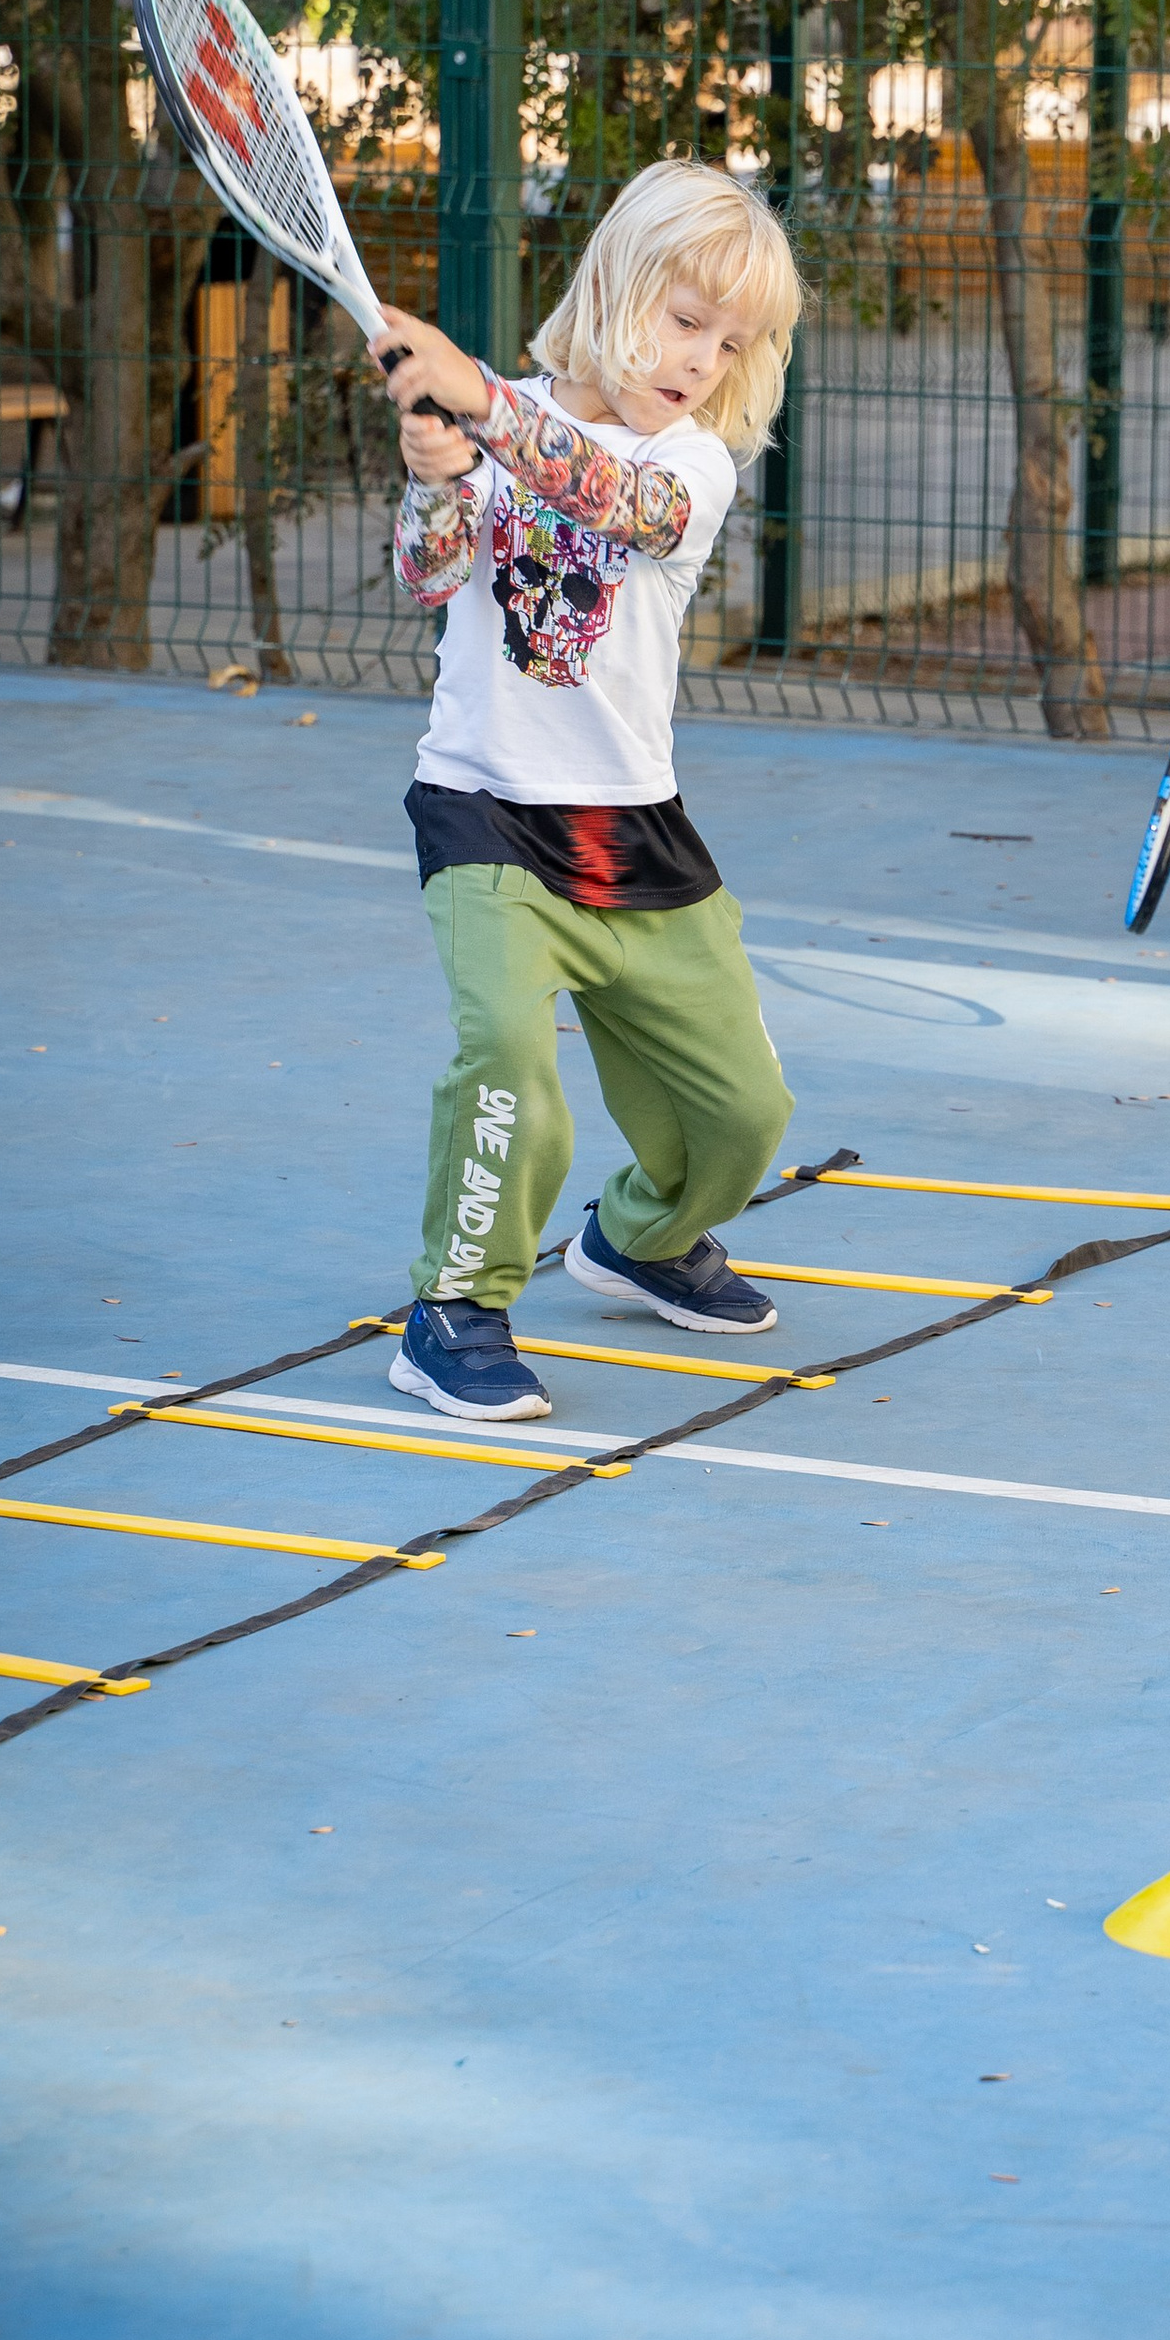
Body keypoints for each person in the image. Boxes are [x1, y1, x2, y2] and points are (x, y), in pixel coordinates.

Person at [373, 160, 806, 1418]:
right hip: (484, 810)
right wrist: (438, 469)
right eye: (685, 320)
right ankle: (454, 1307)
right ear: (615, 282)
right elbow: (428, 572)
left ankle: (641, 1239)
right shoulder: (499, 418)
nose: (699, 362)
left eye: (730, 344)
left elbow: (608, 495)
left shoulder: (691, 465)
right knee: (508, 1058)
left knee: (744, 1113)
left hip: (632, 826)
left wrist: (484, 412)